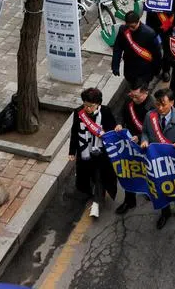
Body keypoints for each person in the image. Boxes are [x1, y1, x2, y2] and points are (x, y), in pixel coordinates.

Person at [142, 88, 175, 228]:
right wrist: (144, 140)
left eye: (163, 104)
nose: (160, 108)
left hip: (174, 162)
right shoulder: (150, 116)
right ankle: (165, 212)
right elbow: (144, 132)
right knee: (160, 188)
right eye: (157, 104)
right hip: (156, 161)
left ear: (172, 103)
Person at [68, 87, 117, 219]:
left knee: (99, 176)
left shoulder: (106, 112)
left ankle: (96, 203)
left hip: (101, 153)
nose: (87, 108)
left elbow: (112, 128)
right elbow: (74, 132)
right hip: (85, 151)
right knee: (86, 176)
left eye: (91, 106)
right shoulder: (79, 113)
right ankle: (89, 193)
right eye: (85, 105)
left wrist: (117, 128)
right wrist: (72, 151)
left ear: (98, 104)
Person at [114, 82, 153, 214]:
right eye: (132, 95)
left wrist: (139, 136)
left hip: (145, 144)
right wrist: (119, 124)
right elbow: (120, 113)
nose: (134, 98)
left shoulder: (153, 107)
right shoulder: (130, 99)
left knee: (146, 171)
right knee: (129, 170)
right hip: (129, 141)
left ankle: (147, 190)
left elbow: (154, 131)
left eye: (137, 96)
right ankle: (129, 201)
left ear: (145, 92)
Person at [111, 11, 162, 88]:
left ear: (138, 21)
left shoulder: (149, 33)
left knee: (140, 92)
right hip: (129, 67)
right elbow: (118, 48)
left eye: (133, 27)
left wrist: (156, 69)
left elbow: (157, 53)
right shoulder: (123, 29)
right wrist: (115, 65)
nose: (131, 29)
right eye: (129, 26)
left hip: (144, 69)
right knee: (132, 87)